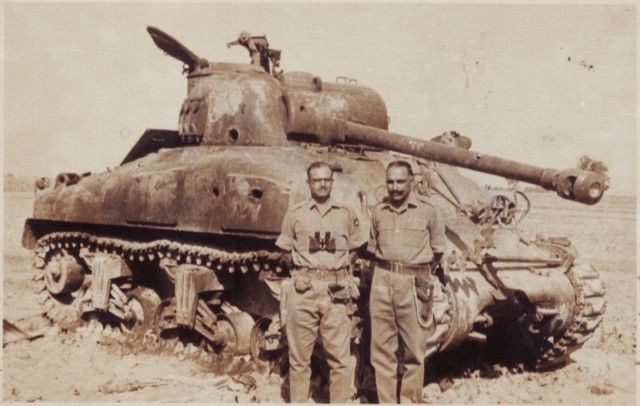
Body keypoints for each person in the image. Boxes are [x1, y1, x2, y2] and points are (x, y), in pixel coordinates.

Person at [276, 161, 365, 403]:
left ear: (332, 182)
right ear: (309, 183)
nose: (323, 184)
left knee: (340, 359)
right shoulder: (295, 214)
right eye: (317, 180)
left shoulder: (346, 213)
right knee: (299, 359)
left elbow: (356, 248)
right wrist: (302, 271)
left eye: (327, 179)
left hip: (336, 292)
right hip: (304, 291)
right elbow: (285, 249)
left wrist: (336, 270)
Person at [367, 160, 446, 403]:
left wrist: (418, 273)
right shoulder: (378, 211)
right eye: (390, 181)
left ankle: (410, 401)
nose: (395, 187)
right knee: (381, 352)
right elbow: (372, 248)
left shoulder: (429, 210)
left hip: (414, 284)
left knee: (414, 351)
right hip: (381, 281)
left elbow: (438, 251)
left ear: (412, 181)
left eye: (400, 181)